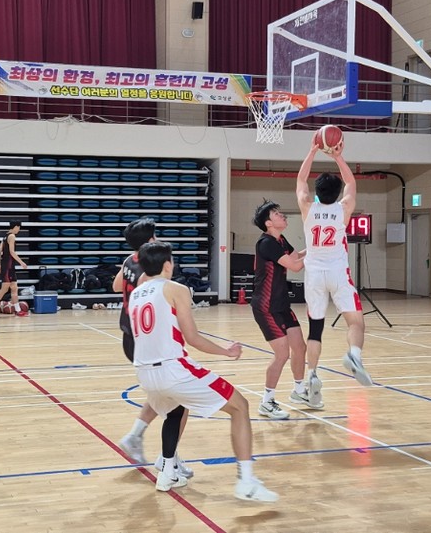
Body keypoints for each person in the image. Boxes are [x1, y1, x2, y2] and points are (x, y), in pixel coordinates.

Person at [128, 241, 278, 501]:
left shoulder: (136, 294)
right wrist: (226, 351)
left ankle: (167, 470)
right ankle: (246, 482)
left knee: (176, 410)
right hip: (172, 369)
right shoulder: (176, 289)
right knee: (240, 406)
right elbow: (193, 338)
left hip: (144, 372)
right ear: (168, 264)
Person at [112, 218, 192, 481]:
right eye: (155, 236)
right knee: (178, 400)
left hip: (128, 335)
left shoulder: (129, 261)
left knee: (163, 394)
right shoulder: (150, 272)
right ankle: (169, 457)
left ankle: (137, 436)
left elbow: (116, 286)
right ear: (149, 240)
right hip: (146, 337)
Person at [296, 141, 373, 406]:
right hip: (339, 273)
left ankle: (312, 376)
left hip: (314, 276)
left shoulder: (308, 207)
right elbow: (351, 183)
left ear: (317, 192)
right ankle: (354, 355)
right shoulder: (343, 209)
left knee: (315, 330)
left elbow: (301, 179)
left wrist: (312, 151)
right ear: (338, 192)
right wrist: (338, 157)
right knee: (356, 323)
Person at [251, 200, 322, 419]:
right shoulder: (266, 243)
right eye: (277, 214)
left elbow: (295, 256)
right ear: (268, 223)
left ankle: (299, 391)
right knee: (281, 354)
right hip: (266, 306)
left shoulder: (280, 240)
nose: (283, 216)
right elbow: (295, 266)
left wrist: (319, 246)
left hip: (281, 304)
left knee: (299, 347)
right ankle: (267, 401)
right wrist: (317, 253)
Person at [0, 220, 29, 317]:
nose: (19, 230)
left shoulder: (5, 236)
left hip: (7, 265)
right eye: (19, 228)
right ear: (16, 227)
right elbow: (12, 252)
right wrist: (21, 262)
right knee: (4, 288)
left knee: (14, 288)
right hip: (8, 266)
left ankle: (18, 310)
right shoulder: (12, 236)